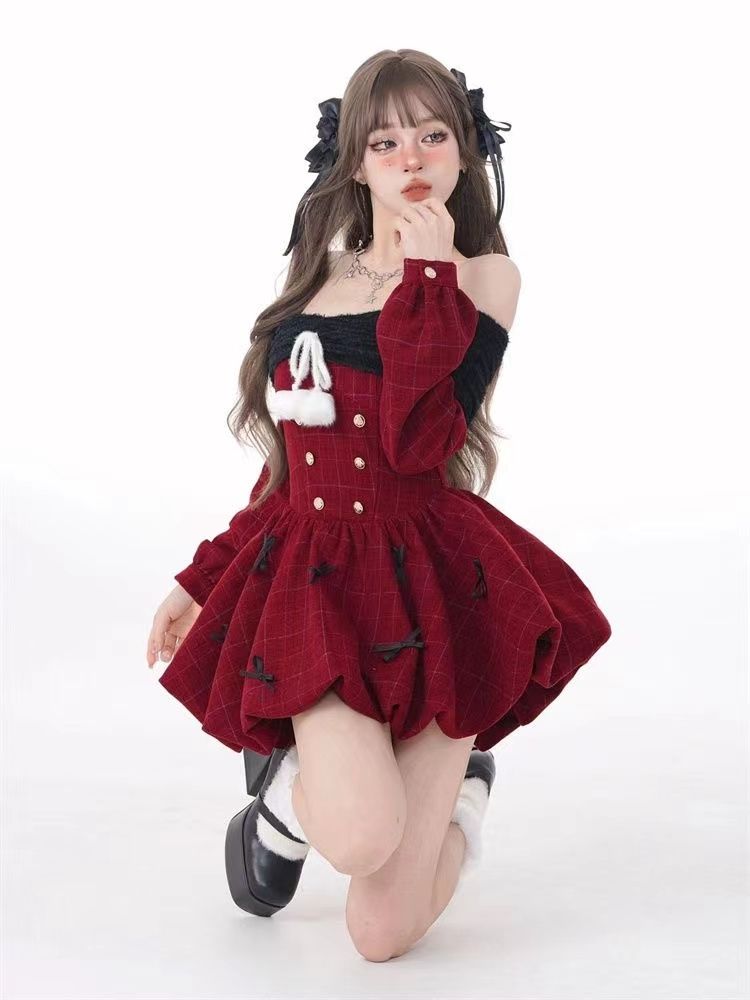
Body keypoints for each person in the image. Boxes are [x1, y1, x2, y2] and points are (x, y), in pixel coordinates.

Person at [146, 49, 612, 962]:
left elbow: (419, 444)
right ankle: (292, 799)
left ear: (466, 152)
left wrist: (429, 275)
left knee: (380, 933)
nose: (411, 160)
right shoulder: (315, 279)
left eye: (433, 136)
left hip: (438, 592)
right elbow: (291, 470)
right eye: (385, 141)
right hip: (317, 588)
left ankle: (460, 793)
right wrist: (202, 577)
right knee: (360, 837)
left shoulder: (485, 278)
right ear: (355, 162)